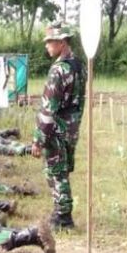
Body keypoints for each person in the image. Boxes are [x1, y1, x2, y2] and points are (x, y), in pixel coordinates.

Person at [31, 22, 86, 230]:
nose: (47, 46)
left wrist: (38, 139)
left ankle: (63, 217)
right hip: (72, 127)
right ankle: (61, 211)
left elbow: (48, 109)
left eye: (50, 42)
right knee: (62, 170)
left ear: (62, 43)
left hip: (56, 128)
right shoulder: (79, 66)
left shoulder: (58, 71)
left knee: (56, 172)